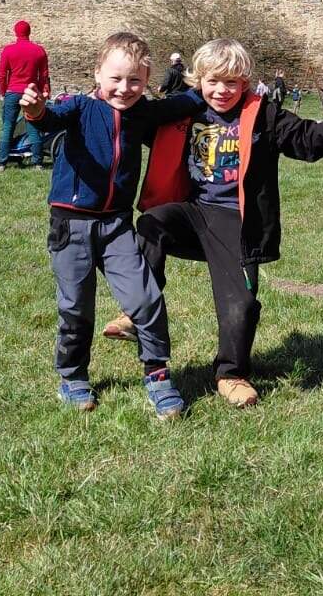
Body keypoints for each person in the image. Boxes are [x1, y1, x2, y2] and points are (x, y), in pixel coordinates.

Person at [132, 39, 323, 407]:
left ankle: (231, 374)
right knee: (152, 223)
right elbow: (136, 120)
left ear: (245, 83)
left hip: (236, 222)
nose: (222, 90)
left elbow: (307, 140)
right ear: (198, 80)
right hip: (192, 211)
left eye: (231, 82)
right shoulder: (183, 111)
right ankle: (138, 306)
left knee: (242, 305)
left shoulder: (263, 115)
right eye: (213, 81)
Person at [20, 32, 202, 417]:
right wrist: (35, 110)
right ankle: (73, 376)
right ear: (97, 74)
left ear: (147, 81)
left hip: (117, 226)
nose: (124, 88)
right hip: (71, 225)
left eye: (135, 80)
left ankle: (157, 375)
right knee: (76, 307)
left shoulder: (143, 112)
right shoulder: (79, 107)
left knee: (146, 298)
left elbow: (185, 102)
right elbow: (48, 119)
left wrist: (213, 82)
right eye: (115, 78)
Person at [0, 20, 50, 172]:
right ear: (29, 32)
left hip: (13, 90)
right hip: (30, 91)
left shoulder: (8, 50)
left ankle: (1, 163)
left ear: (16, 32)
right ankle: (38, 163)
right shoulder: (39, 50)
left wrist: (4, 91)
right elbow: (44, 75)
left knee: (8, 126)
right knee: (33, 126)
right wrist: (41, 91)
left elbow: (1, 74)